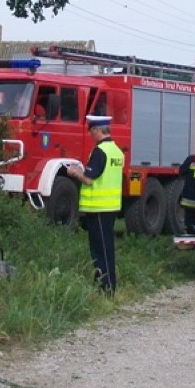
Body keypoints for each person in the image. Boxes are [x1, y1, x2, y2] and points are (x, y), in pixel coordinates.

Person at [66, 114, 124, 296]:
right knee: (106, 248)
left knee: (100, 250)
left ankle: (105, 288)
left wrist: (75, 172)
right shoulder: (116, 151)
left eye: (91, 131)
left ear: (98, 130)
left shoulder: (100, 152)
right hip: (110, 207)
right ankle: (107, 286)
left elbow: (90, 179)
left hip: (98, 208)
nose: (90, 135)